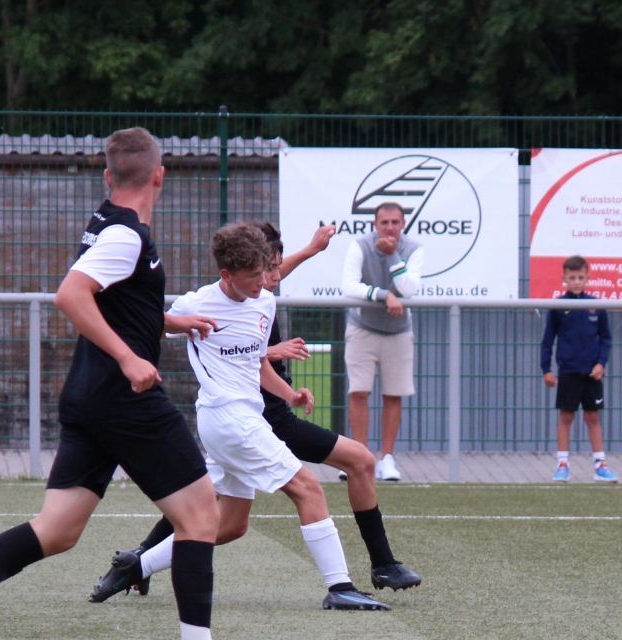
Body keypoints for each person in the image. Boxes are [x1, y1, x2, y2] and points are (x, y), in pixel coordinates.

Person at [0, 128, 269, 640]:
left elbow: (115, 302)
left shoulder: (106, 224)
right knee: (201, 517)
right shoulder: (126, 235)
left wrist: (171, 322)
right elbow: (71, 295)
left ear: (107, 176)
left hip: (88, 396)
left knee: (57, 530)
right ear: (160, 175)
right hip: (124, 399)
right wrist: (129, 357)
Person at [91, 220, 420, 601]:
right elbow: (135, 320)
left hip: (246, 416)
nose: (264, 281)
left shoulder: (264, 301)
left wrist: (291, 395)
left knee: (232, 525)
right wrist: (177, 322)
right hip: (227, 417)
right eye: (254, 275)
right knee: (307, 487)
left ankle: (137, 564)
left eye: (266, 271)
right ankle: (340, 587)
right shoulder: (198, 303)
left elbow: (259, 363)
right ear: (226, 275)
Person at [341, 201, 421, 482]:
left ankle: (387, 460)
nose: (389, 227)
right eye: (384, 222)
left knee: (393, 394)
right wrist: (383, 295)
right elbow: (349, 286)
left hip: (398, 332)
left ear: (403, 224)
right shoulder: (360, 245)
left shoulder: (414, 249)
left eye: (395, 222)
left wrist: (392, 256)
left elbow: (409, 289)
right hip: (362, 328)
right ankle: (359, 458)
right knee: (359, 392)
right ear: (375, 224)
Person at [539, 255, 618, 482]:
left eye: (580, 277)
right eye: (572, 277)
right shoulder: (558, 307)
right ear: (564, 278)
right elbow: (547, 341)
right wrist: (546, 368)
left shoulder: (596, 306)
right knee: (566, 416)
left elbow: (606, 338)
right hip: (568, 371)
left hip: (591, 373)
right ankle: (562, 464)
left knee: (592, 416)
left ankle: (600, 466)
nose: (576, 282)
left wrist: (601, 364)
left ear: (588, 278)